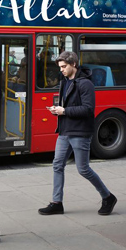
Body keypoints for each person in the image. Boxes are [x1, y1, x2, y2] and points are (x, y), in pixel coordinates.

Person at [40, 51, 117, 216]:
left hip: (80, 132)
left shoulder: (85, 84)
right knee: (57, 164)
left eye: (64, 66)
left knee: (83, 169)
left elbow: (88, 109)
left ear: (73, 64)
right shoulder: (65, 82)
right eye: (60, 67)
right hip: (64, 130)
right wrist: (57, 111)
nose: (61, 70)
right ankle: (56, 203)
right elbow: (66, 105)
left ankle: (108, 197)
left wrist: (64, 111)